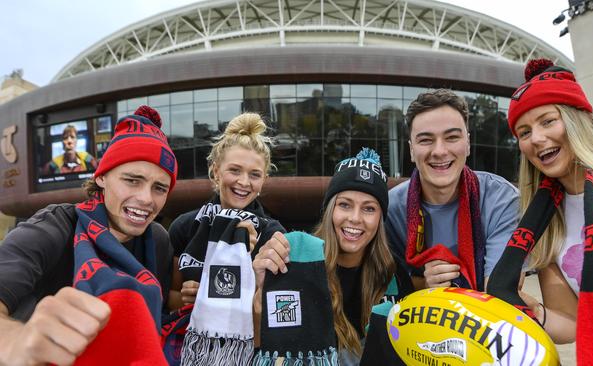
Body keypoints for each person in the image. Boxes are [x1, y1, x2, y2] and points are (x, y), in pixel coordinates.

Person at [488, 58, 593, 345]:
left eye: (548, 121)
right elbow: (572, 322)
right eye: (524, 132)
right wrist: (526, 307)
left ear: (576, 120)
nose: (536, 138)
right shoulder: (542, 221)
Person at [0, 105, 177, 365]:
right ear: (102, 177)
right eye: (132, 180)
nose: (146, 199)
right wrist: (17, 340)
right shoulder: (54, 226)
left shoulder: (159, 240)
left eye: (159, 188)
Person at [253, 148, 413, 364]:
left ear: (380, 219)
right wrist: (263, 289)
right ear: (330, 210)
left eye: (369, 209)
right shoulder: (296, 263)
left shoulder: (395, 275)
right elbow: (263, 348)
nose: (355, 218)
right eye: (345, 205)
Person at [386, 89, 519, 291]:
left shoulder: (502, 199)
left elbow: (502, 290)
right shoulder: (389, 208)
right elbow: (383, 284)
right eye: (425, 140)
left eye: (452, 137)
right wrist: (424, 286)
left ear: (468, 143)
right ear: (412, 150)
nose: (439, 151)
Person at [170, 112, 285, 308]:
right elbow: (170, 296)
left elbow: (278, 305)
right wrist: (186, 299)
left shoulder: (273, 235)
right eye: (235, 170)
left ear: (264, 180)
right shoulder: (185, 226)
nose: (244, 182)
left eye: (255, 174)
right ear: (216, 171)